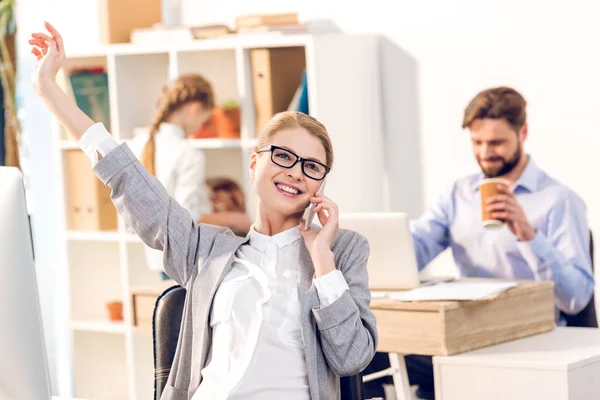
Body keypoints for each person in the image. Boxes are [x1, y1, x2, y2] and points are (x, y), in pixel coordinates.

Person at [30, 22, 377, 400]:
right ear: (254, 163)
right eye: (283, 156)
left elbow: (352, 358)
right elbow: (128, 179)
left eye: (312, 166)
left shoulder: (342, 251)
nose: (295, 171)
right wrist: (50, 91)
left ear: (321, 183)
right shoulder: (205, 250)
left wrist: (323, 261)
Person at [126, 73, 213, 274]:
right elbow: (187, 217)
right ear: (195, 109)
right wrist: (232, 220)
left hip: (156, 257)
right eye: (205, 121)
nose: (201, 128)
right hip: (187, 260)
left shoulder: (136, 144)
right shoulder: (189, 154)